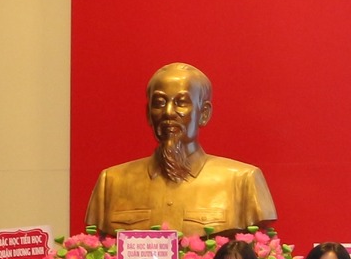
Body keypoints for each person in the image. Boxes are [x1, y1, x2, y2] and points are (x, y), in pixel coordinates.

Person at [84, 62, 277, 234]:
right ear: (148, 114)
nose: (168, 112)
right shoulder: (111, 183)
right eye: (159, 103)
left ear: (204, 113)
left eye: (181, 103)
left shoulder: (243, 181)